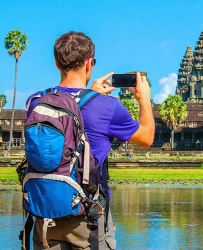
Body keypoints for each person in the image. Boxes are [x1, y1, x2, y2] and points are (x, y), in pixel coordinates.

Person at [26, 31, 155, 249]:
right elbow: (146, 138)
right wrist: (145, 99)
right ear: (89, 63)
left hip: (44, 215)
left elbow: (68, 106)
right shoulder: (108, 106)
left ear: (57, 63)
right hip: (88, 218)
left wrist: (87, 94)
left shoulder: (37, 102)